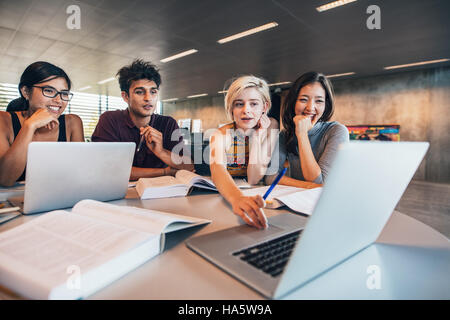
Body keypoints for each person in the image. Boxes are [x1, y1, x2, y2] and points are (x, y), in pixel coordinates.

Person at [91, 59, 193, 180]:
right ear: (125, 96)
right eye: (140, 92)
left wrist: (161, 152)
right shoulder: (110, 120)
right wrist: (166, 172)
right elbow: (108, 169)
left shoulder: (167, 123)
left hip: (160, 193)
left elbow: (189, 166)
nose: (148, 98)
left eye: (153, 92)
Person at [210, 75, 279, 229]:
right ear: (231, 108)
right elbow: (217, 170)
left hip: (258, 196)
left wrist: (258, 137)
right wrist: (237, 199)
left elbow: (254, 178)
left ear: (264, 107)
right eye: (239, 104)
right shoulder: (220, 134)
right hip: (227, 196)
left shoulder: (270, 126)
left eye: (254, 104)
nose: (246, 110)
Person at [0, 61, 84, 187]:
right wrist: (30, 125)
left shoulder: (72, 123)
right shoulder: (3, 120)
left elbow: (81, 174)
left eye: (64, 93)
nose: (58, 100)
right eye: (49, 91)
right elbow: (5, 179)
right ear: (26, 92)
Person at [266, 71, 349, 188]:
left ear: (326, 105)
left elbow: (319, 181)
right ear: (293, 102)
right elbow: (270, 177)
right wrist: (306, 186)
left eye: (319, 101)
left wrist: (302, 134)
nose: (310, 107)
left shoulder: (337, 131)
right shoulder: (285, 134)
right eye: (303, 99)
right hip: (298, 201)